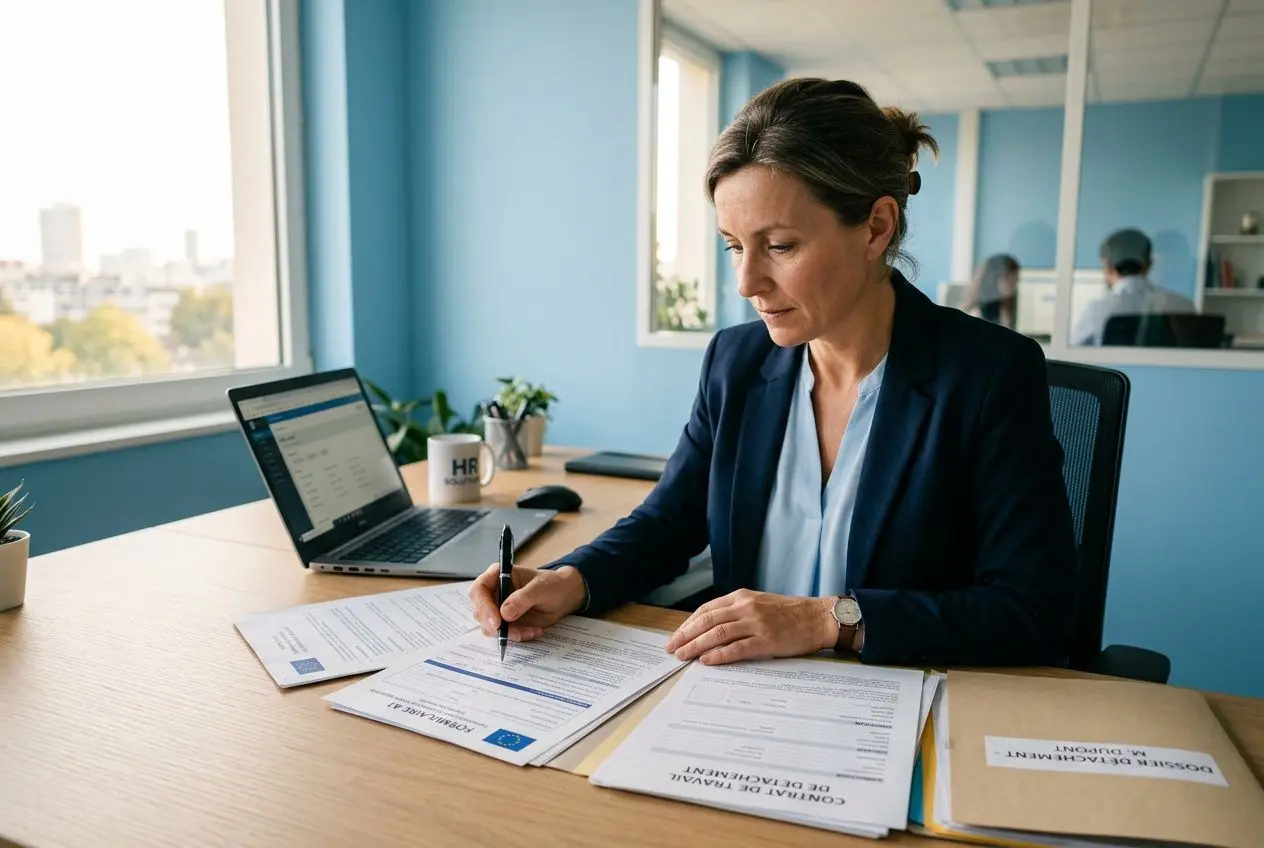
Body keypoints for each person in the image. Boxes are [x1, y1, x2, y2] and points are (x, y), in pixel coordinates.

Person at [469, 78, 1077, 669]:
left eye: (780, 246)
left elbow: (1034, 610)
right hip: (746, 699)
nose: (746, 282)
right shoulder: (736, 362)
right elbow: (668, 523)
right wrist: (570, 579)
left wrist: (826, 621)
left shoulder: (987, 375)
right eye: (735, 246)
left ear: (876, 228)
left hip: (906, 704)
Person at [1071, 228, 1196, 346]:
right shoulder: (1182, 305)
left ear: (1107, 265)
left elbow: (1071, 351)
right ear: (1149, 263)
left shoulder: (1096, 310)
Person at [962, 253, 1020, 329]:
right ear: (993, 279)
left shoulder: (1004, 308)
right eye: (1009, 278)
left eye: (1016, 280)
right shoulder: (976, 314)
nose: (1014, 285)